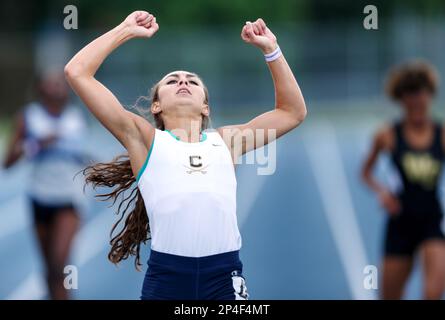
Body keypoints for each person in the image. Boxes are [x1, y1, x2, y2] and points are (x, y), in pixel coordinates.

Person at [64, 10, 306, 300]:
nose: (183, 82)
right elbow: (76, 72)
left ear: (205, 107)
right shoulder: (144, 139)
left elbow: (292, 112)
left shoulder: (228, 142)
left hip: (223, 276)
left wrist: (271, 50)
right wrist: (125, 29)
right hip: (167, 278)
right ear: (156, 106)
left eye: (192, 80)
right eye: (172, 80)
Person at [362, 61, 445, 299]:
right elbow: (365, 172)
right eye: (411, 94)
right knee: (389, 295)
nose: (418, 101)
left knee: (433, 294)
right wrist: (382, 192)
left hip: (432, 220)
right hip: (400, 221)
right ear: (401, 99)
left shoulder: (441, 135)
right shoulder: (387, 136)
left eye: (422, 94)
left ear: (430, 96)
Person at [3, 70, 88, 299]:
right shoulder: (28, 117)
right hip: (39, 197)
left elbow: (77, 155)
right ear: (40, 88)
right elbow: (7, 162)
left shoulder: (75, 118)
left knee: (60, 260)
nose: (57, 87)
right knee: (50, 266)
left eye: (60, 83)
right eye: (51, 83)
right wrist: (35, 144)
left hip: (69, 199)